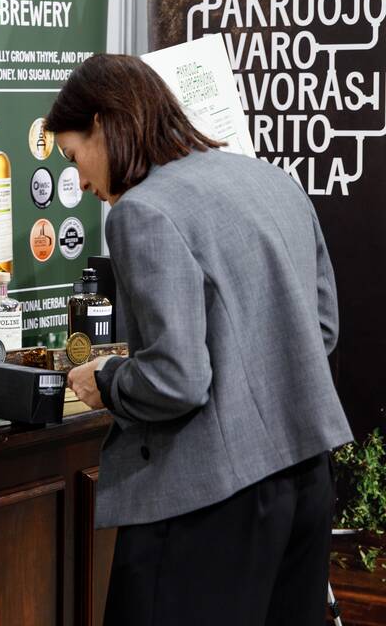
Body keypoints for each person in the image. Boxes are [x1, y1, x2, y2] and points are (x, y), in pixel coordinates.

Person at [47, 54, 351, 625]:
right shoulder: (272, 180)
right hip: (307, 483)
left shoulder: (141, 212)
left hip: (206, 502)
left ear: (103, 124)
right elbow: (322, 331)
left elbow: (177, 380)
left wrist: (107, 380)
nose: (82, 182)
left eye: (73, 156)